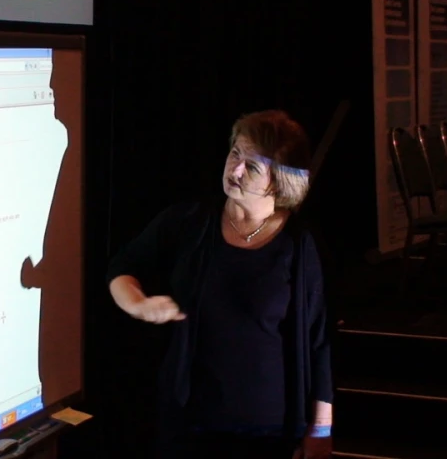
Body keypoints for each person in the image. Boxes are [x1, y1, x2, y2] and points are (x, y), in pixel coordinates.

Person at [107, 110, 333, 459]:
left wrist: (320, 430)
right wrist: (137, 303)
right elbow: (122, 267)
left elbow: (319, 343)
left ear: (278, 181)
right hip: (189, 425)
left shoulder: (299, 245)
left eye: (253, 166)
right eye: (235, 154)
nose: (236, 169)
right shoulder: (188, 222)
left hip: (267, 432)